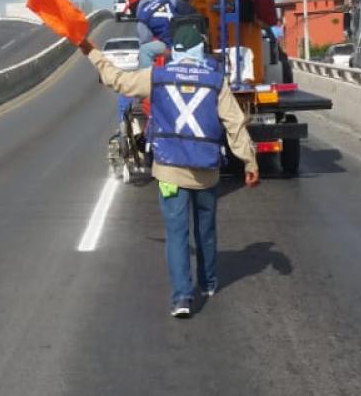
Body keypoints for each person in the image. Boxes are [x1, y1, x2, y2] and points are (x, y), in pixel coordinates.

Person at [79, 21, 260, 318]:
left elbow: (117, 80)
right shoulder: (216, 80)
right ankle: (209, 282)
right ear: (200, 49)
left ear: (174, 50)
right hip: (207, 172)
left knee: (176, 234)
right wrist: (249, 162)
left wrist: (91, 50)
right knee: (206, 230)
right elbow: (234, 123)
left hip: (168, 172)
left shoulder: (157, 75)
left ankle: (182, 298)